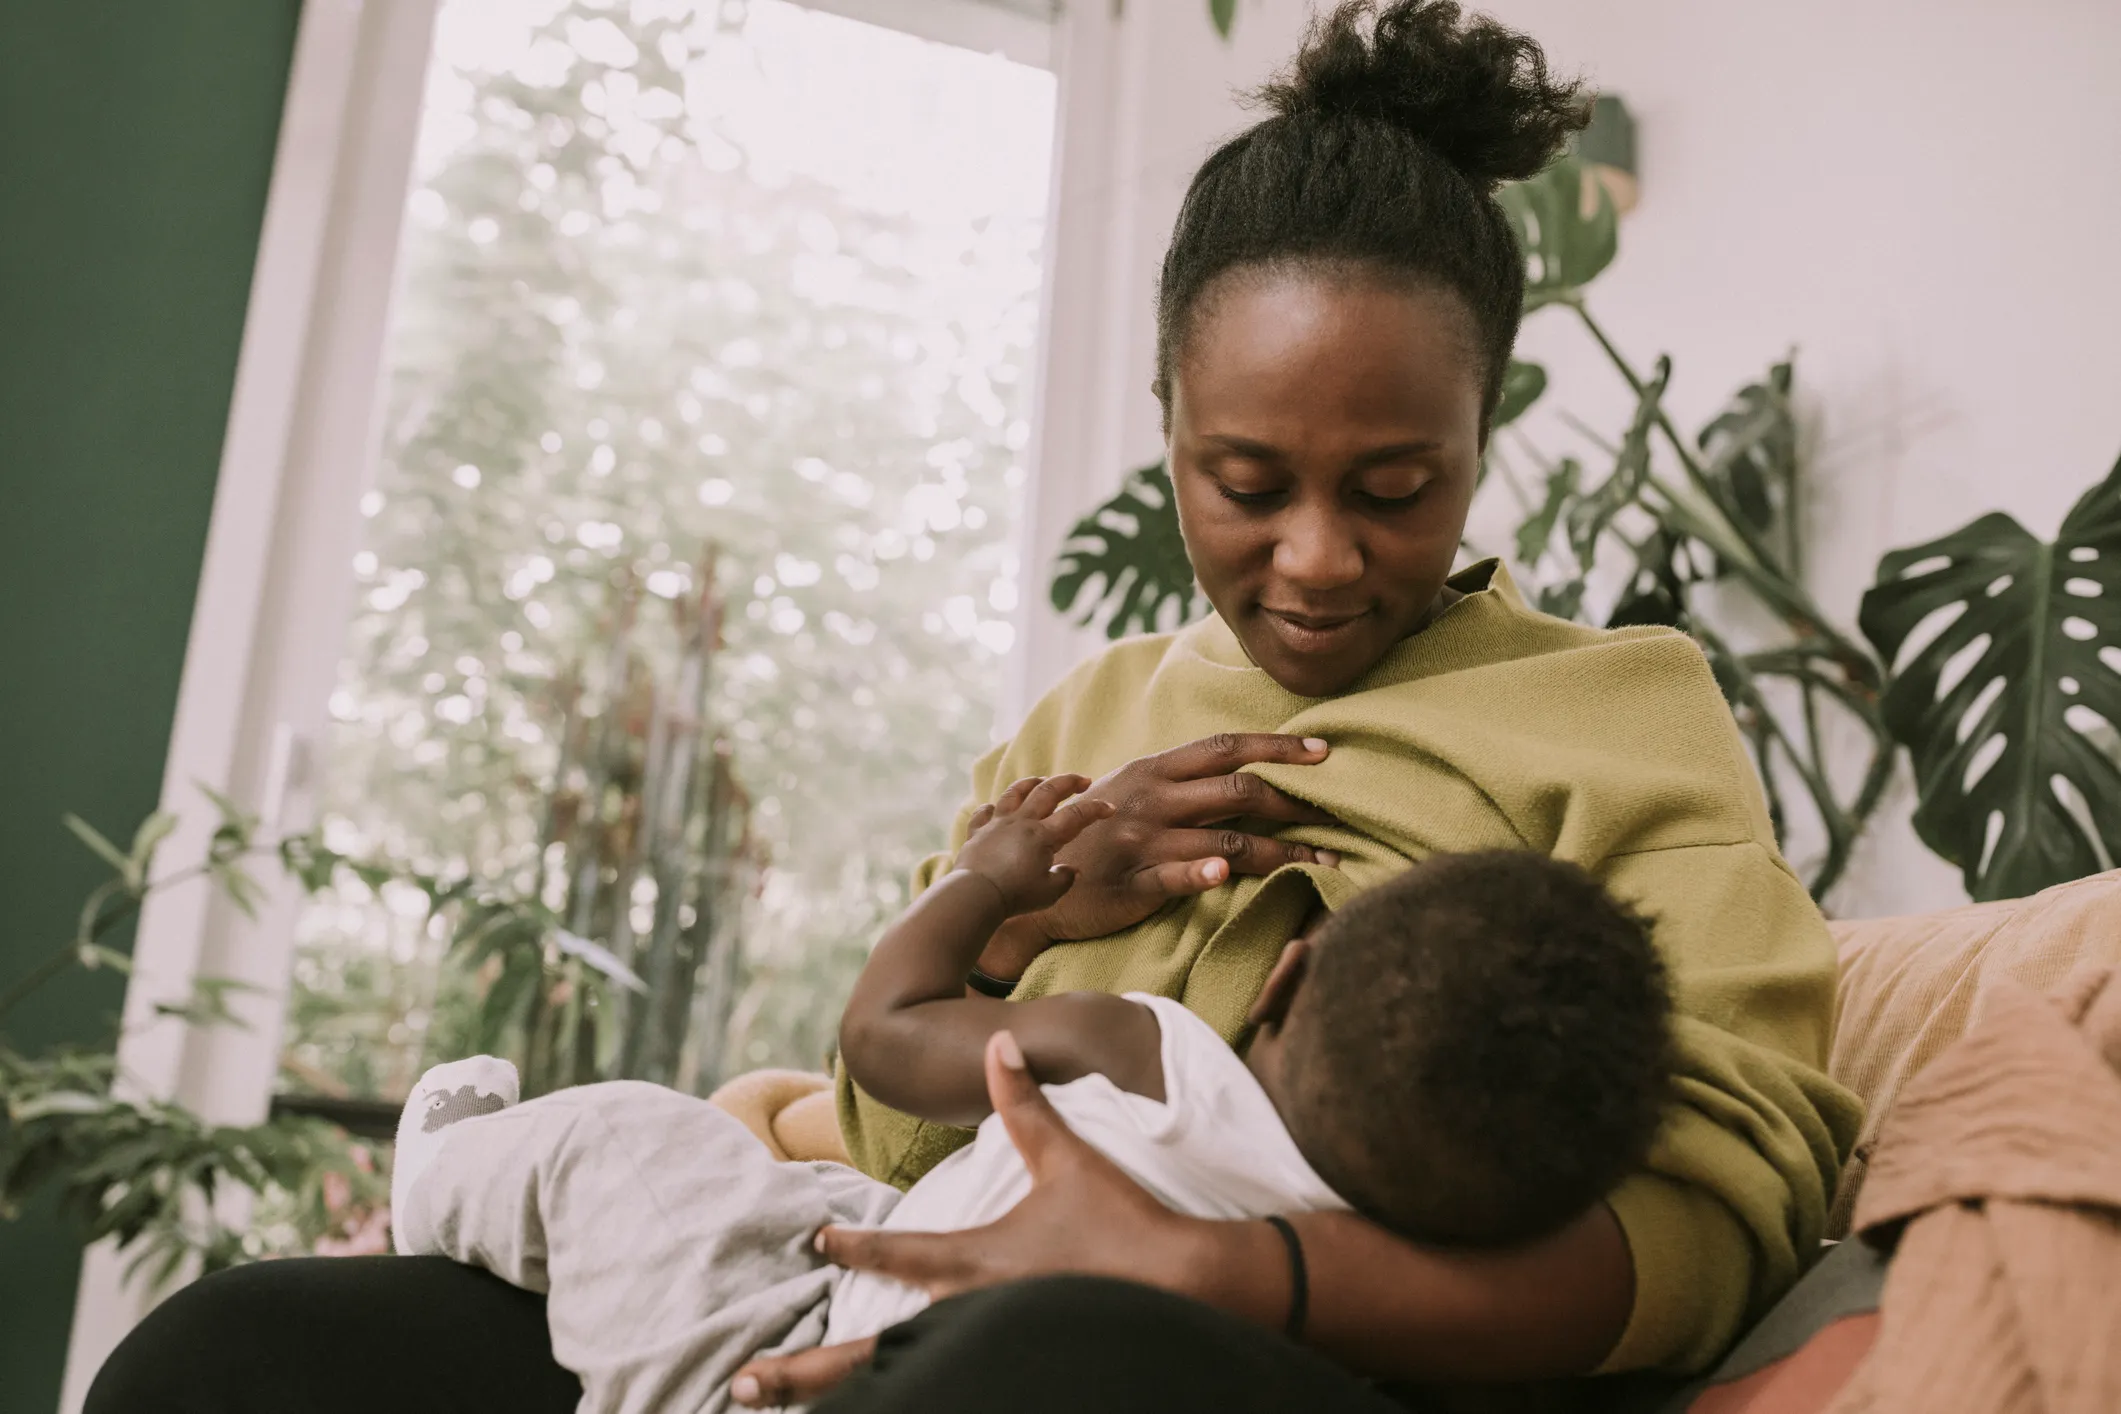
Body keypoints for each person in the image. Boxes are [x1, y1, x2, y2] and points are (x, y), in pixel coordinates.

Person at [85, 3, 1861, 1411]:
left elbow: (1723, 1205)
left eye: (1395, 489)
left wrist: (1236, 1273)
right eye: (1245, 482)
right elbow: (888, 1135)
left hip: (1299, 1346)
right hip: (895, 1283)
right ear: (1165, 416)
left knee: (1037, 1368)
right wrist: (1021, 921)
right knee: (246, 1351)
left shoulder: (1625, 709)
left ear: (1486, 430)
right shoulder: (1092, 712)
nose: (1316, 559)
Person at [381, 777, 1670, 1413]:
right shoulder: (1388, 1289)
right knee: (811, 1183)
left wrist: (997, 883)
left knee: (633, 1140)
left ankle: (442, 1175)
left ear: (1287, 976)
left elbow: (885, 1038)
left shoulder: (1149, 1057)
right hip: (862, 1273)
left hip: (769, 1363)